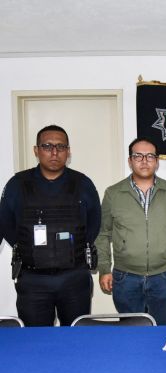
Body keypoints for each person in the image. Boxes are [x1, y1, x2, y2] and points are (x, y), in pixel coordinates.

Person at [0, 124, 101, 326]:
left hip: (74, 278)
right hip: (33, 280)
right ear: (36, 150)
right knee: (35, 339)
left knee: (76, 336)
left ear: (68, 151)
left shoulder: (83, 183)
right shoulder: (17, 184)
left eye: (60, 146)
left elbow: (94, 224)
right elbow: (6, 225)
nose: (54, 152)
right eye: (47, 146)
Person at [95, 137, 166, 325]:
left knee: (162, 330)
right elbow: (103, 234)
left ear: (157, 161)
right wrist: (104, 269)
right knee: (131, 332)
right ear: (130, 161)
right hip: (125, 277)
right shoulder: (113, 193)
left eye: (150, 156)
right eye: (138, 156)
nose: (144, 161)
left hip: (164, 275)